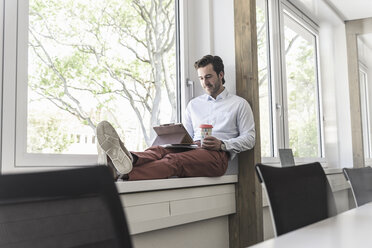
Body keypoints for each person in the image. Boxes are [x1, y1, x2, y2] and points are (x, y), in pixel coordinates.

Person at [96, 55, 255, 180]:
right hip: (194, 148)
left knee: (174, 160)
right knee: (160, 150)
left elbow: (250, 138)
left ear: (221, 75)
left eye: (208, 77)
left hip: (217, 156)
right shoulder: (194, 105)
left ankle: (123, 173)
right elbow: (187, 137)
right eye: (201, 78)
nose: (204, 82)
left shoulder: (239, 104)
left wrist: (222, 144)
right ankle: (127, 158)